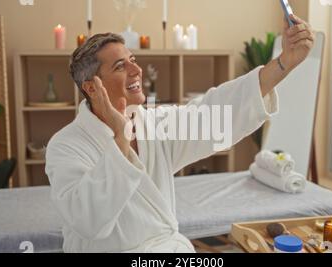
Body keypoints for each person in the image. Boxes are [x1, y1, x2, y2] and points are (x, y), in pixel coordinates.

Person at [45, 14, 314, 252]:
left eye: (132, 61)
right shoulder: (66, 146)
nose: (136, 70)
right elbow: (89, 220)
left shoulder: (155, 124)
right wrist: (120, 139)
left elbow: (214, 112)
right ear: (92, 88)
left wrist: (283, 64)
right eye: (120, 66)